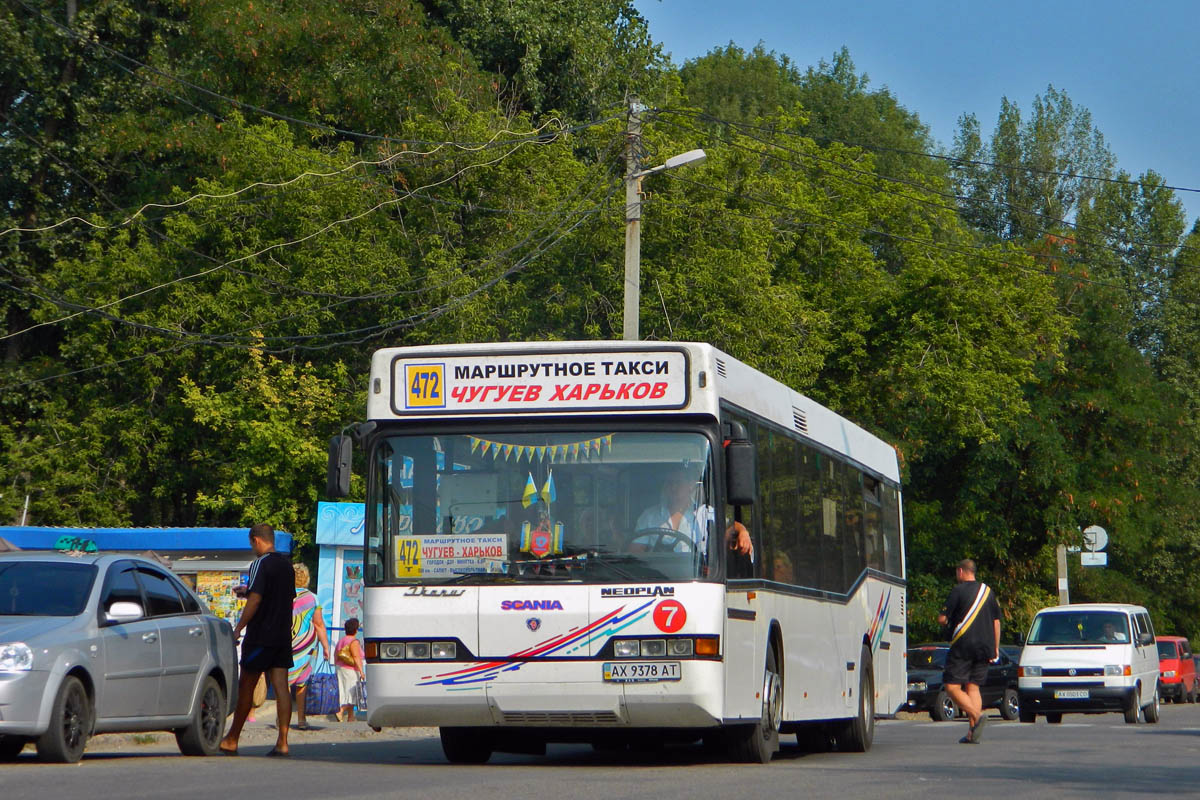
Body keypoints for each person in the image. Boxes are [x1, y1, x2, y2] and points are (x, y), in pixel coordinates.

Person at [220, 523, 297, 757]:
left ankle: (232, 739)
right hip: (282, 634)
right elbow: (283, 598)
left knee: (247, 687)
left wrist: (239, 627)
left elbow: (256, 601)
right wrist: (250, 593)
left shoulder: (259, 564)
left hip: (260, 634)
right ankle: (282, 742)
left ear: (256, 540)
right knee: (282, 687)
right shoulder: (287, 565)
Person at [937, 558, 1001, 745]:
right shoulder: (988, 592)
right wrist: (995, 647)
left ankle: (976, 715)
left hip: (963, 645)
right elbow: (996, 622)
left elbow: (942, 618)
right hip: (986, 647)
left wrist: (947, 622)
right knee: (973, 687)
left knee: (951, 686)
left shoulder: (958, 591)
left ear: (961, 571)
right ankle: (972, 733)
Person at [633, 466, 753, 558]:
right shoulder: (649, 516)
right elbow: (635, 551)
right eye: (670, 482)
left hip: (696, 579)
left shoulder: (705, 513)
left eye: (678, 482)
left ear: (690, 485)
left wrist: (742, 532)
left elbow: (731, 526)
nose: (673, 487)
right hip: (657, 578)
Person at [290, 563, 331, 730]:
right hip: (306, 646)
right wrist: (326, 647)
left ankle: (281, 718)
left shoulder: (282, 595)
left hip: (285, 644)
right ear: (306, 578)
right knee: (302, 683)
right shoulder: (313, 598)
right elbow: (318, 624)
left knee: (282, 682)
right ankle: (301, 719)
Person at [334, 617, 366, 723]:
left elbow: (336, 655)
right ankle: (340, 711)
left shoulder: (341, 641)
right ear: (356, 630)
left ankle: (351, 717)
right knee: (353, 692)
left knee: (345, 691)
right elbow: (356, 657)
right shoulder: (353, 641)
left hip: (340, 668)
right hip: (351, 669)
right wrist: (361, 671)